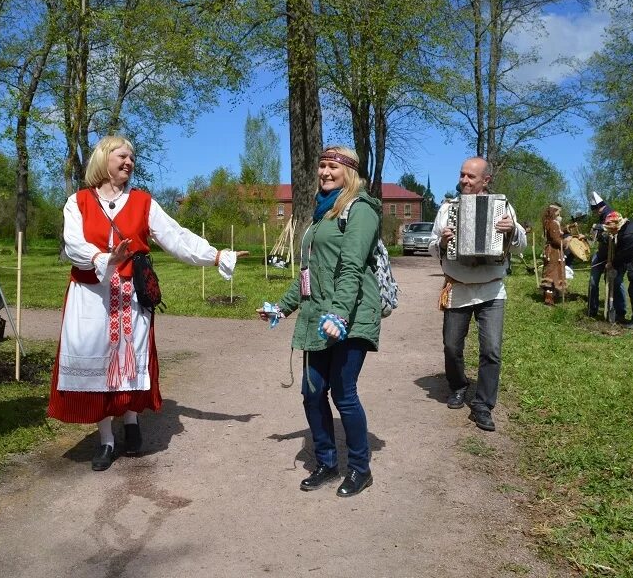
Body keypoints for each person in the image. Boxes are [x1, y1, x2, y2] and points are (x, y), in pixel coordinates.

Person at [47, 136, 245, 472]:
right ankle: (107, 439)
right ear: (104, 159)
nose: (129, 162)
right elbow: (73, 244)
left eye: (132, 158)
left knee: (129, 359)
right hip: (92, 296)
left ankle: (133, 422)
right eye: (122, 156)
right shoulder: (76, 202)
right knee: (99, 366)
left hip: (131, 295)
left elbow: (175, 235)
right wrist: (104, 257)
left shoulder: (142, 202)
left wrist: (216, 256)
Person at [257, 146, 382, 497]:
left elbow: (352, 265)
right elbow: (309, 273)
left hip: (352, 315)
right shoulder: (321, 213)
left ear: (350, 173)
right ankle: (327, 463)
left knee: (344, 394)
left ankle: (360, 468)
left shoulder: (360, 210)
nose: (325, 172)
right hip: (318, 315)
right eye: (322, 166)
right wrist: (281, 308)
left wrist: (340, 313)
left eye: (333, 167)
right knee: (312, 394)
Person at [428, 157, 526, 432]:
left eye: (471, 177)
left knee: (491, 350)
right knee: (451, 346)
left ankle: (483, 404)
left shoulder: (502, 207)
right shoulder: (448, 208)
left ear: (486, 180)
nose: (464, 181)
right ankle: (458, 386)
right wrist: (443, 242)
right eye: (462, 175)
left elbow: (520, 245)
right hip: (458, 287)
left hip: (492, 288)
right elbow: (433, 249)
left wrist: (513, 230)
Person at [586, 192, 627, 322]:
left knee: (616, 282)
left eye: (595, 210)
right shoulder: (600, 217)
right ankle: (592, 309)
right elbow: (599, 237)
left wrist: (600, 229)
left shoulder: (612, 215)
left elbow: (612, 229)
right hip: (601, 254)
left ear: (599, 207)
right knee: (593, 281)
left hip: (614, 255)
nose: (595, 212)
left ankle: (620, 311)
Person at [540, 203, 568, 305]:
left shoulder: (551, 223)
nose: (560, 214)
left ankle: (552, 295)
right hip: (554, 252)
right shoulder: (553, 223)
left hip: (552, 251)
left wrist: (565, 229)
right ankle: (549, 298)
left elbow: (556, 233)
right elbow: (555, 239)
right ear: (554, 212)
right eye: (558, 212)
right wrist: (566, 243)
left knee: (553, 272)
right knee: (552, 273)